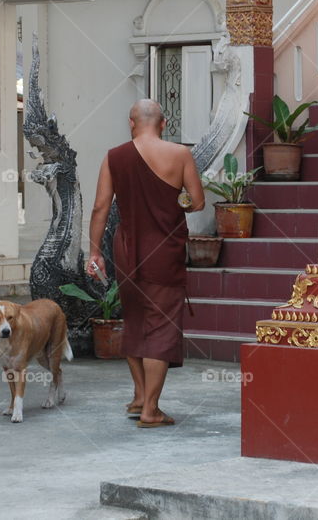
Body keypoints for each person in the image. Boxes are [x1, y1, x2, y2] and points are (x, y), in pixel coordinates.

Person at [87, 99, 205, 428]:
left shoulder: (114, 156)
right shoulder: (179, 154)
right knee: (162, 326)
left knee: (136, 318)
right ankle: (151, 410)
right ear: (164, 123)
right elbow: (196, 202)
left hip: (126, 249)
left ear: (131, 123)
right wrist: (175, 199)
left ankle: (139, 396)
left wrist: (94, 252)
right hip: (163, 250)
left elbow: (100, 208)